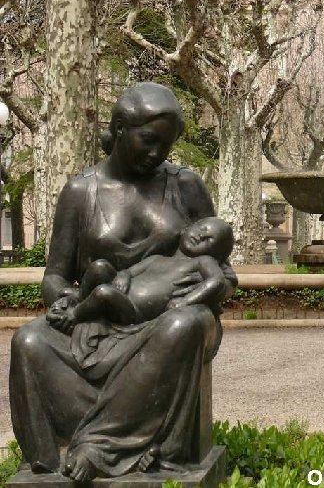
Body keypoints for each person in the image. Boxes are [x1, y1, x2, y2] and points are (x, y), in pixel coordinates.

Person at [9, 82, 237, 481]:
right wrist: (66, 300)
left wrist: (201, 294)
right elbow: (56, 276)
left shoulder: (185, 186)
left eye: (166, 146)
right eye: (149, 141)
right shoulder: (81, 191)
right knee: (28, 341)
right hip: (99, 317)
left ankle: (98, 447)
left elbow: (225, 271)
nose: (157, 154)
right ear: (117, 129)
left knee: (184, 325)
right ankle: (65, 455)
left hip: (171, 321)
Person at [46, 217, 234, 332]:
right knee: (100, 266)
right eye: (201, 229)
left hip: (132, 310)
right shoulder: (158, 258)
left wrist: (186, 301)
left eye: (209, 239)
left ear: (215, 254)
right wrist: (124, 276)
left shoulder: (203, 262)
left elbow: (217, 281)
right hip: (120, 290)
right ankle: (80, 297)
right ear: (187, 228)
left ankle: (74, 316)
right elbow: (128, 271)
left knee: (104, 293)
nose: (200, 236)